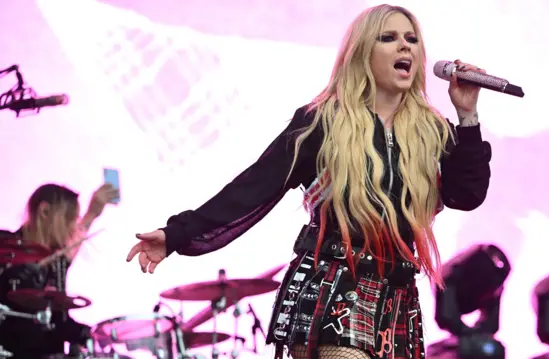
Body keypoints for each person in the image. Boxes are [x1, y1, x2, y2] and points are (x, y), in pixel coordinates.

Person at [126, 4, 492, 359]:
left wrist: (467, 114)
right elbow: (255, 186)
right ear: (363, 52)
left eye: (411, 39)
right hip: (332, 284)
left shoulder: (432, 131)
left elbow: (466, 194)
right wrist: (176, 234)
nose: (404, 46)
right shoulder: (323, 122)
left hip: (398, 297)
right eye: (389, 37)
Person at [0, 183, 118, 359]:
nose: (73, 227)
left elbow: (59, 322)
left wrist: (96, 334)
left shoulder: (57, 264)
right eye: (69, 219)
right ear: (44, 212)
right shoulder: (5, 248)